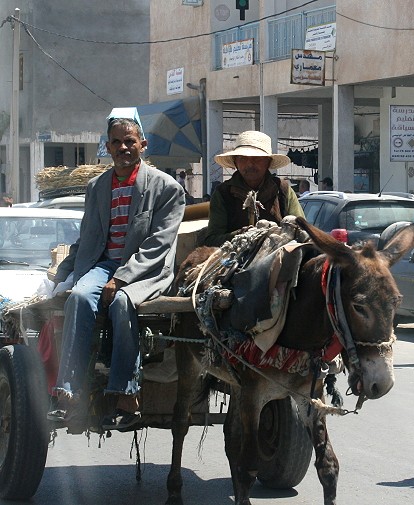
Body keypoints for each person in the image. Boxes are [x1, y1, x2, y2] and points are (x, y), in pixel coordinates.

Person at [48, 116, 186, 430]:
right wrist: (64, 274)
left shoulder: (167, 187)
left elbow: (160, 243)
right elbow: (87, 238)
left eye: (130, 142)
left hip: (147, 270)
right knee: (80, 298)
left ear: (143, 145)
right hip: (103, 266)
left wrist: (121, 278)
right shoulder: (97, 186)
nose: (123, 147)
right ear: (108, 147)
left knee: (123, 302)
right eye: (117, 142)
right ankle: (68, 393)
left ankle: (126, 393)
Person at [205, 130, 304, 247]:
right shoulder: (223, 193)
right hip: (234, 260)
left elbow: (302, 230)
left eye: (257, 159)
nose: (250, 164)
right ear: (235, 162)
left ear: (268, 162)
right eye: (243, 159)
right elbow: (212, 240)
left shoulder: (283, 190)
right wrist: (241, 235)